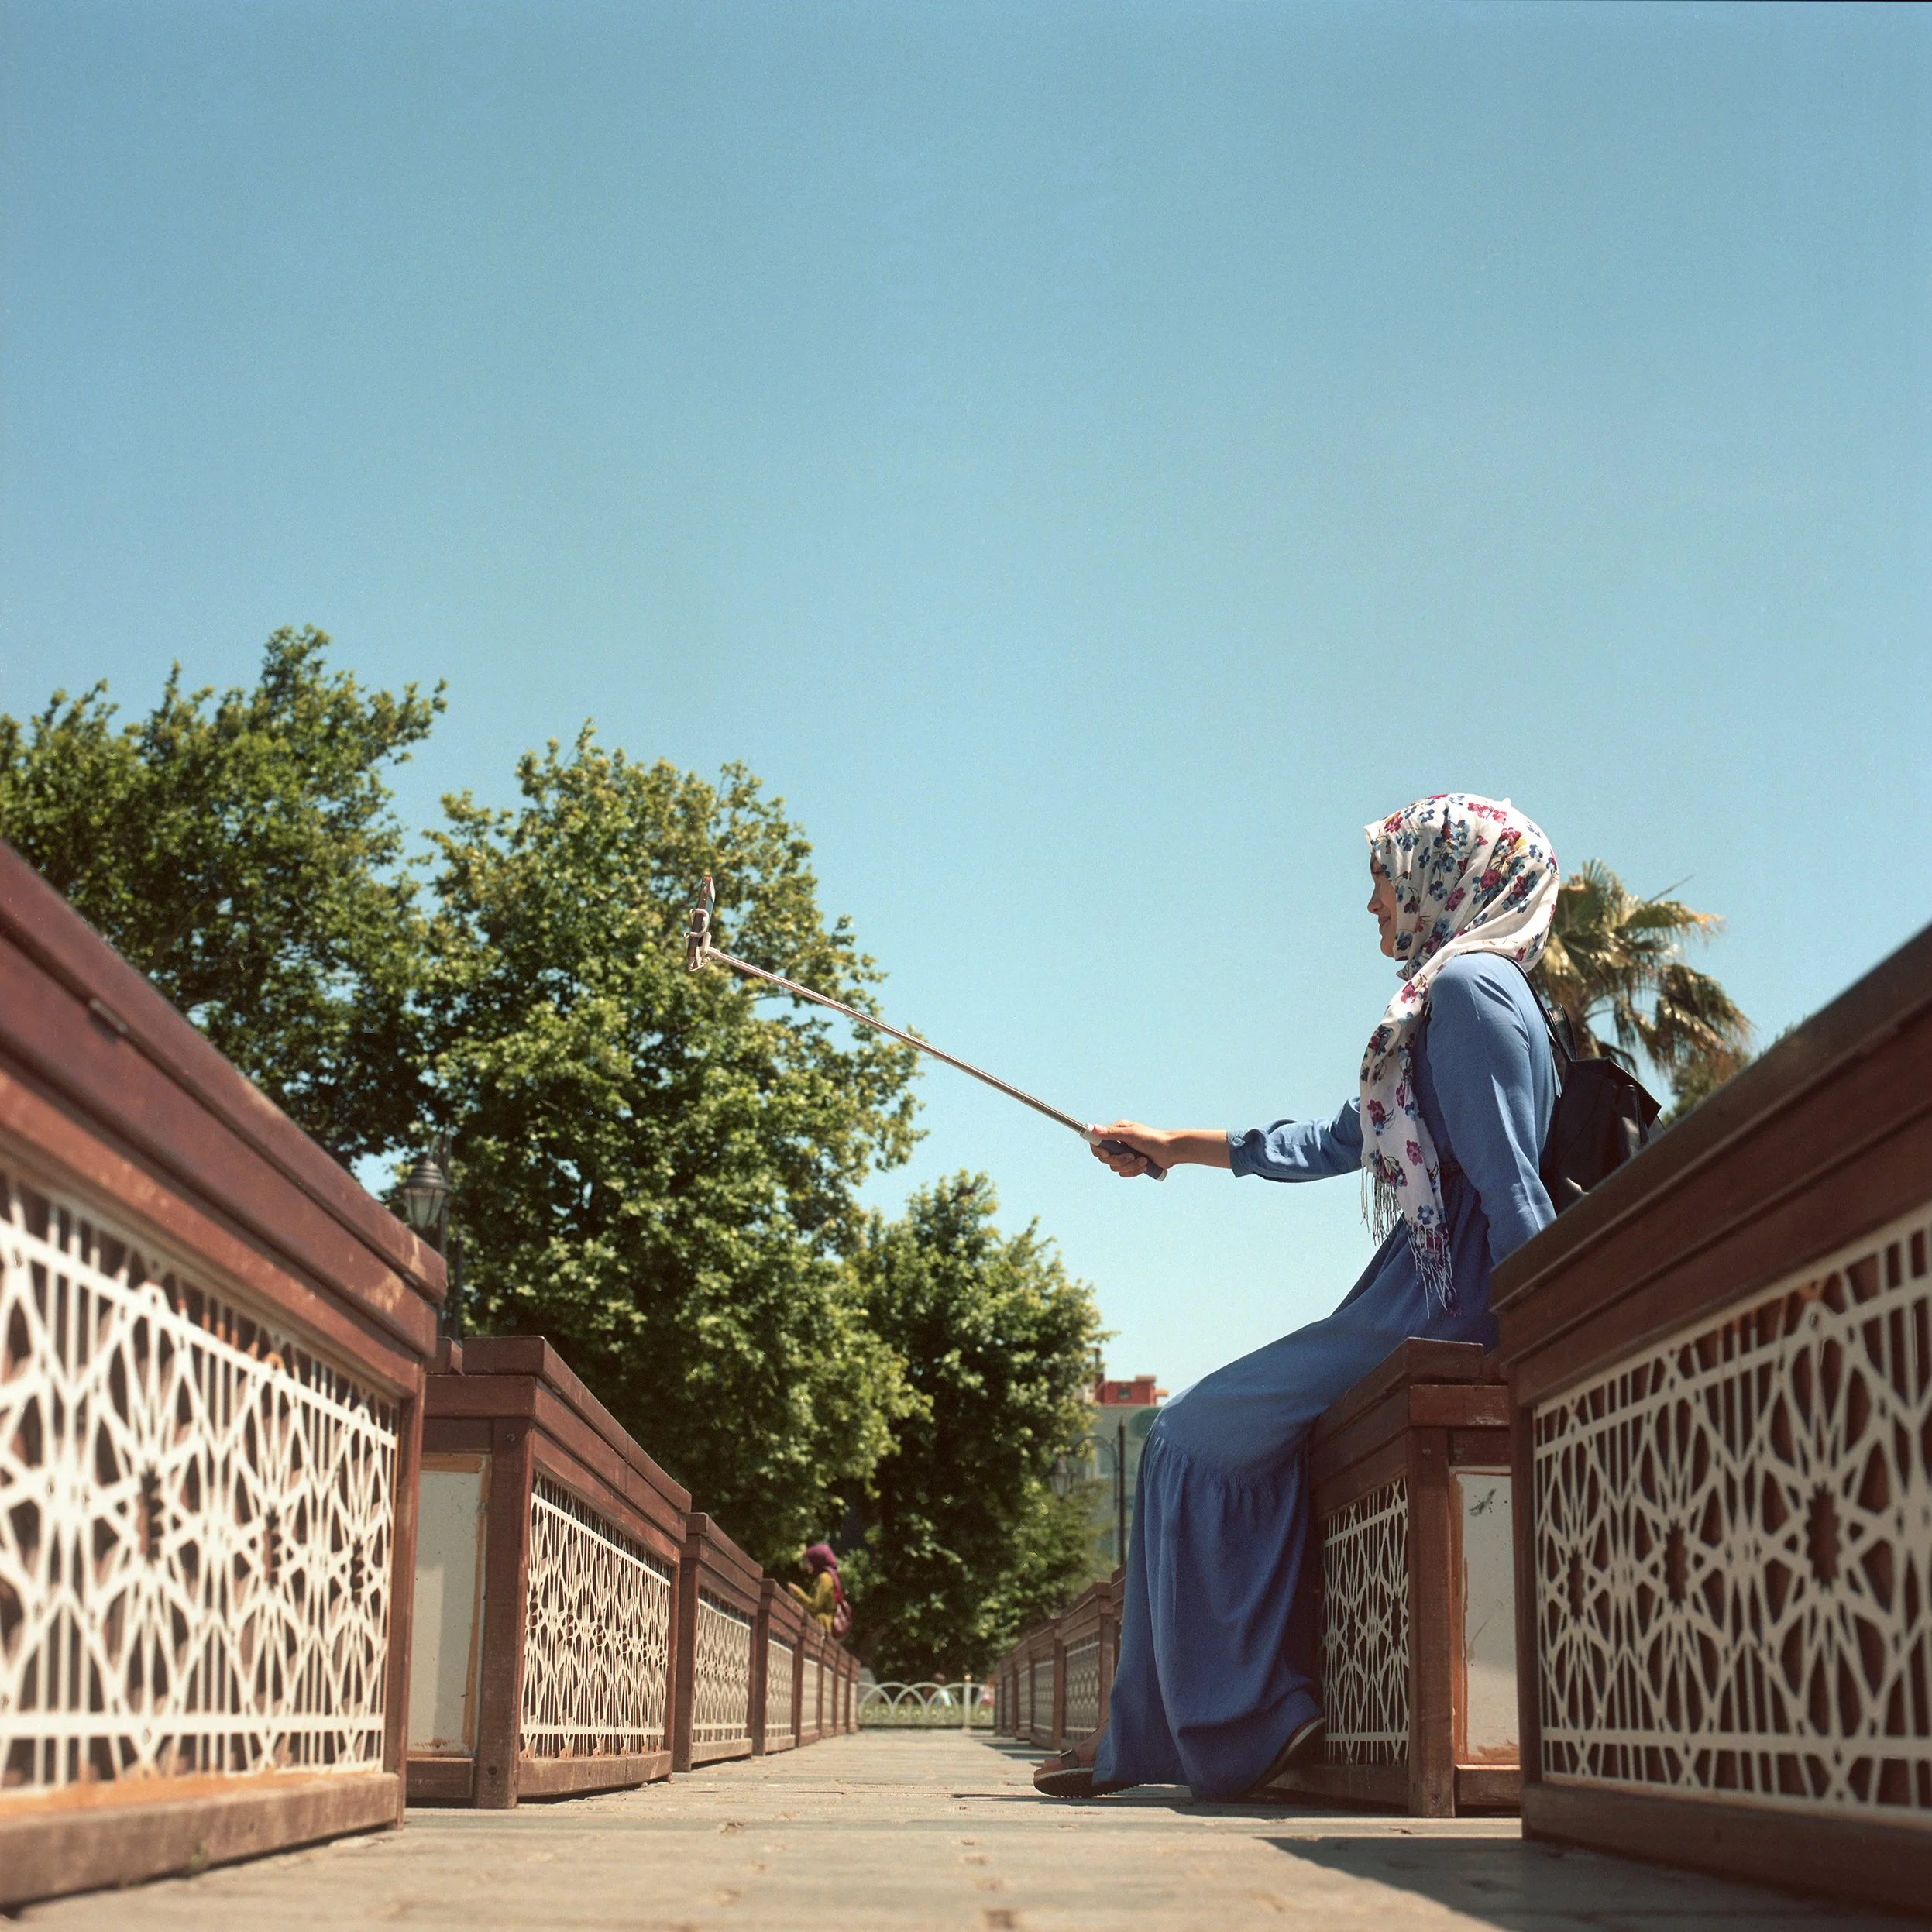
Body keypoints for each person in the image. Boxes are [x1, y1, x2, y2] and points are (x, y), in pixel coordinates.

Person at [1036, 793, 1559, 1801]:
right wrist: (1170, 1149)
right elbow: (1331, 1142)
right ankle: (1158, 1738)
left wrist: (1548, 1345)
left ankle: (1245, 1720)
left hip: (1439, 1308)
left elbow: (1510, 1186)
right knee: (1201, 1439)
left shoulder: (1470, 997)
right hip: (1415, 1294)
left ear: (1442, 875)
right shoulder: (1449, 998)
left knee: (1187, 1437)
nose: (1370, 903)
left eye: (1381, 876)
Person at [789, 1542, 848, 1635]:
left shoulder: (825, 1578)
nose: (806, 1565)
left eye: (808, 1562)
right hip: (822, 1629)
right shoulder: (827, 1577)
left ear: (816, 1561)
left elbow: (814, 1607)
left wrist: (797, 1593)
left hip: (821, 1627)